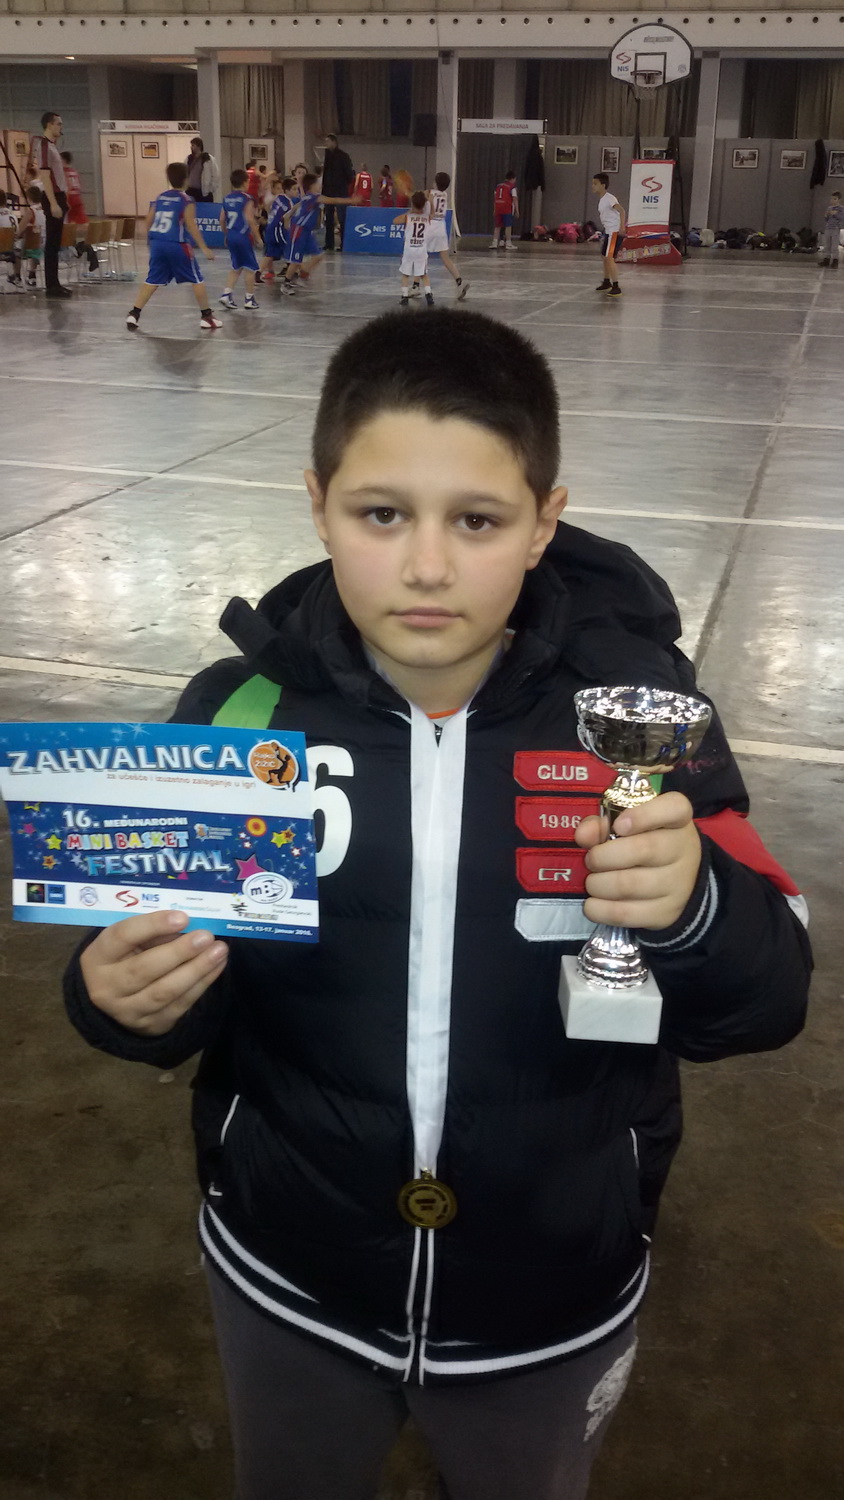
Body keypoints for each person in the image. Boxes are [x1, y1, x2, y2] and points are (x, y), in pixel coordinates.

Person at [64, 306, 811, 1500]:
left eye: (476, 521)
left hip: (547, 1297)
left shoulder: (641, 719)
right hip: (288, 1276)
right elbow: (170, 975)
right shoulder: (236, 717)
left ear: (543, 522)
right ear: (317, 505)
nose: (424, 566)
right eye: (381, 515)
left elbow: (767, 1000)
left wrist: (694, 909)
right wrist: (117, 996)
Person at [125, 162, 221, 332]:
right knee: (196, 279)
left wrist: (154, 239)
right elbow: (191, 225)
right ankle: (207, 317)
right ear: (186, 179)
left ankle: (134, 313)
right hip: (177, 244)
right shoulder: (186, 200)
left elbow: (148, 221)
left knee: (152, 280)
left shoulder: (160, 197)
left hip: (157, 243)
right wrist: (204, 248)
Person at [280, 170, 358, 295]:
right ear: (312, 186)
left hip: (307, 231)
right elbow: (334, 200)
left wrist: (288, 215)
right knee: (295, 261)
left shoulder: (307, 197)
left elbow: (296, 207)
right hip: (299, 230)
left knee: (318, 255)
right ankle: (286, 283)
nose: (320, 186)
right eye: (318, 183)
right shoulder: (314, 197)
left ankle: (302, 274)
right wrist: (351, 200)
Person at [28, 110, 70, 298]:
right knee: (52, 243)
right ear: (49, 125)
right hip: (53, 197)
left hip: (59, 196)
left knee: (55, 242)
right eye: (58, 124)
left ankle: (55, 283)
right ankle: (51, 286)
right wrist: (53, 203)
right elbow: (45, 176)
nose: (61, 127)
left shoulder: (52, 146)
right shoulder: (44, 146)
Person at [219, 169, 262, 312]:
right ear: (245, 182)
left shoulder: (227, 198)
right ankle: (249, 298)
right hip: (243, 236)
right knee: (250, 268)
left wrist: (227, 234)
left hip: (231, 235)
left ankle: (227, 294)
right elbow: (250, 219)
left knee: (236, 267)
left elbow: (222, 219)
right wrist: (258, 237)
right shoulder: (247, 198)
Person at [424, 171, 469, 301]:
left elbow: (421, 198)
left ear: (436, 183)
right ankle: (459, 281)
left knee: (422, 256)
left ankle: (415, 286)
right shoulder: (445, 194)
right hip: (441, 227)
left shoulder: (429, 193)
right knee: (445, 258)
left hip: (430, 226)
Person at [59, 151, 99, 275]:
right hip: (77, 199)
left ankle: (78, 249)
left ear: (63, 160)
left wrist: (64, 202)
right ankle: (83, 247)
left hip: (69, 201)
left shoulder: (63, 173)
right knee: (83, 229)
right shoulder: (74, 172)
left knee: (65, 231)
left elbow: (67, 187)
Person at [394, 189, 435, 308]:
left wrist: (410, 211)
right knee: (423, 274)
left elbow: (395, 221)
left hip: (409, 249)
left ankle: (404, 296)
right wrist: (431, 202)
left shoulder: (408, 217)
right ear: (424, 204)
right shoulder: (427, 217)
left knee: (405, 274)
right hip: (421, 249)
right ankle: (428, 294)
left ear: (412, 203)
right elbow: (433, 213)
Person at [592, 172, 625, 298]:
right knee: (604, 256)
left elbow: (621, 210)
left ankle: (616, 287)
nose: (593, 186)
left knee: (609, 257)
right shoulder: (602, 200)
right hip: (608, 232)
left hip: (614, 232)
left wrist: (622, 227)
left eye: (595, 184)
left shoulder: (610, 198)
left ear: (603, 185)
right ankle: (607, 282)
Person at [320, 133, 355, 250]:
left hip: (340, 191)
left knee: (342, 218)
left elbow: (349, 175)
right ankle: (329, 243)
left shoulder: (343, 156)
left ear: (334, 142)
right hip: (328, 191)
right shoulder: (327, 156)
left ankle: (344, 243)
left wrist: (342, 183)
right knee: (328, 218)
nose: (326, 143)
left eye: (328, 141)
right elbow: (325, 174)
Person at [258, 175, 295, 282]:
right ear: (287, 190)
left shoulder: (278, 198)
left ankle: (258, 272)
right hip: (278, 229)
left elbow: (268, 207)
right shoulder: (288, 202)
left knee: (270, 254)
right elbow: (286, 218)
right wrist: (288, 229)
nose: (296, 191)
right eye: (294, 189)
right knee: (291, 249)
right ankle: (295, 271)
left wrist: (271, 217)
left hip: (270, 228)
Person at [11, 185, 45, 290]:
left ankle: (17, 276)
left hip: (33, 244)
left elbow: (20, 229)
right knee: (34, 244)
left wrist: (15, 236)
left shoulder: (31, 211)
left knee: (15, 248)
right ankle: (32, 274)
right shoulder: (46, 209)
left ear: (29, 198)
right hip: (45, 242)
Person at [185, 137, 220, 204]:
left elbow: (215, 174)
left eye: (193, 145)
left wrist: (210, 189)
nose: (191, 147)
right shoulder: (189, 159)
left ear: (199, 146)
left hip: (203, 192)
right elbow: (184, 172)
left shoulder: (208, 159)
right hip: (190, 190)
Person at [490, 170, 518, 251]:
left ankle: (494, 242)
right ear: (512, 179)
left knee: (497, 226)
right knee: (508, 226)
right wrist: (517, 210)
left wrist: (495, 209)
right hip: (506, 207)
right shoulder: (512, 187)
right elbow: (515, 199)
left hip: (498, 206)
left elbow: (495, 197)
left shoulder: (499, 186)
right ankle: (508, 243)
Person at [818, 189, 844, 268]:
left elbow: (842, 218)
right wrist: (826, 215)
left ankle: (835, 260)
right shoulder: (829, 208)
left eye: (835, 199)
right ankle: (827, 259)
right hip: (828, 228)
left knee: (834, 246)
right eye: (832, 199)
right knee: (827, 245)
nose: (832, 200)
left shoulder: (841, 208)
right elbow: (827, 219)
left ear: (839, 200)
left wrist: (835, 214)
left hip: (835, 228)